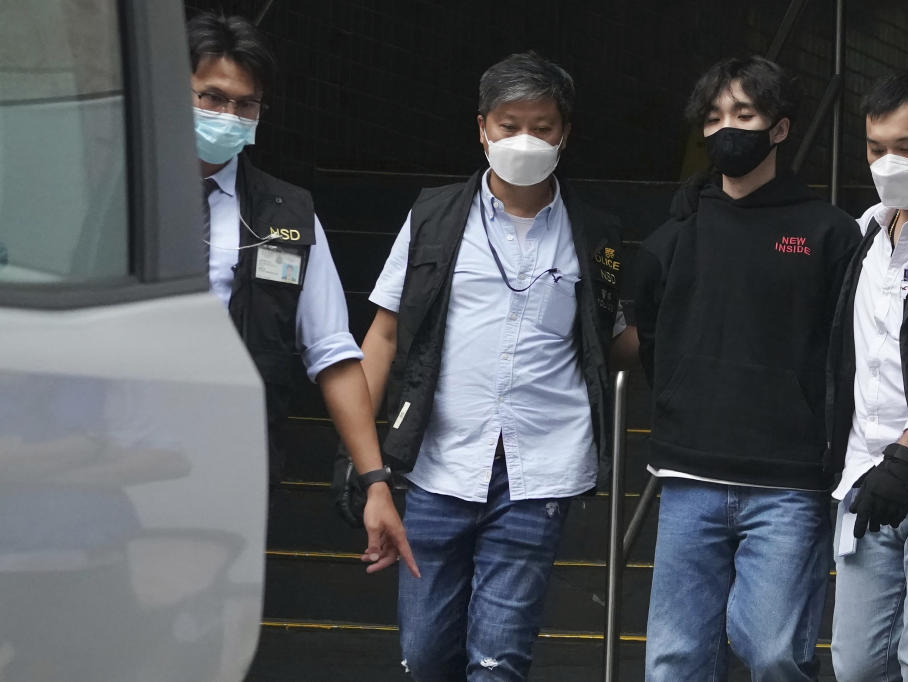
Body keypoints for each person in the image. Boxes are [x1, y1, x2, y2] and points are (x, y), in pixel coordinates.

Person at [359, 51, 635, 681]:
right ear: (481, 127)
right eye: (509, 125)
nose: (525, 140)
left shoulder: (595, 232)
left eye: (541, 126)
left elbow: (614, 340)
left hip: (540, 469)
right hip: (438, 463)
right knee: (426, 656)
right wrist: (366, 461)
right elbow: (383, 334)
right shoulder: (433, 217)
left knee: (498, 660)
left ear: (565, 132)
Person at [634, 56, 861, 681]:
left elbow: (853, 349)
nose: (726, 129)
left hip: (790, 482)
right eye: (713, 118)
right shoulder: (677, 232)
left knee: (773, 654)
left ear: (781, 128)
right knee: (674, 660)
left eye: (745, 114)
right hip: (688, 474)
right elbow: (637, 327)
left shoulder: (830, 233)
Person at [186, 12, 416, 576]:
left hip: (232, 454)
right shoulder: (102, 193)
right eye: (211, 98)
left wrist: (375, 483)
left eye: (245, 105)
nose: (228, 116)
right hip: (114, 450)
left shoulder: (285, 214)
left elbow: (333, 354)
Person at [826, 67, 908, 682]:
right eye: (877, 149)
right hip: (864, 479)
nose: (888, 164)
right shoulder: (863, 234)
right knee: (856, 665)